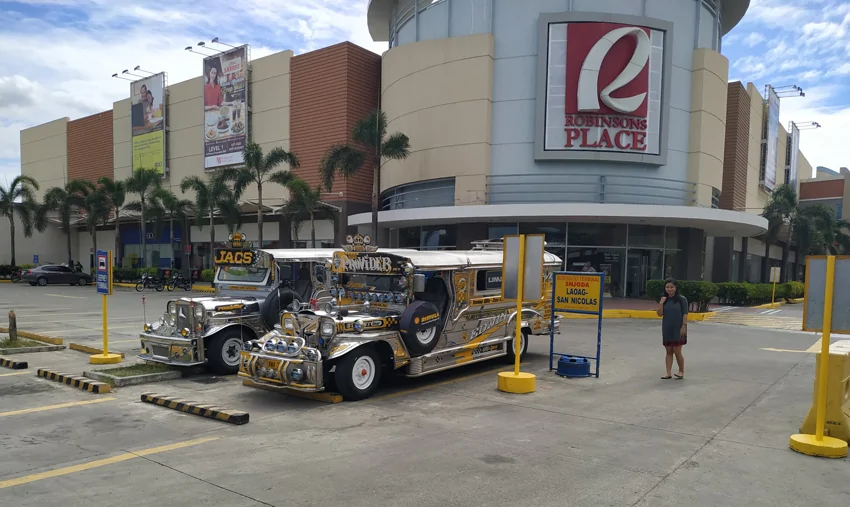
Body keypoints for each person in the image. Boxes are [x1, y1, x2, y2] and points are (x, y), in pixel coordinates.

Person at [656, 278, 687, 379]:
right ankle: (668, 372)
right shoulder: (664, 300)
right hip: (667, 328)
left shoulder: (682, 299)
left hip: (678, 328)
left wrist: (683, 326)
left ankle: (681, 371)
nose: (669, 289)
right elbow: (659, 314)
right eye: (667, 287)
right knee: (668, 351)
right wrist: (661, 303)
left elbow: (685, 313)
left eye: (671, 287)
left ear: (676, 287)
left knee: (677, 351)